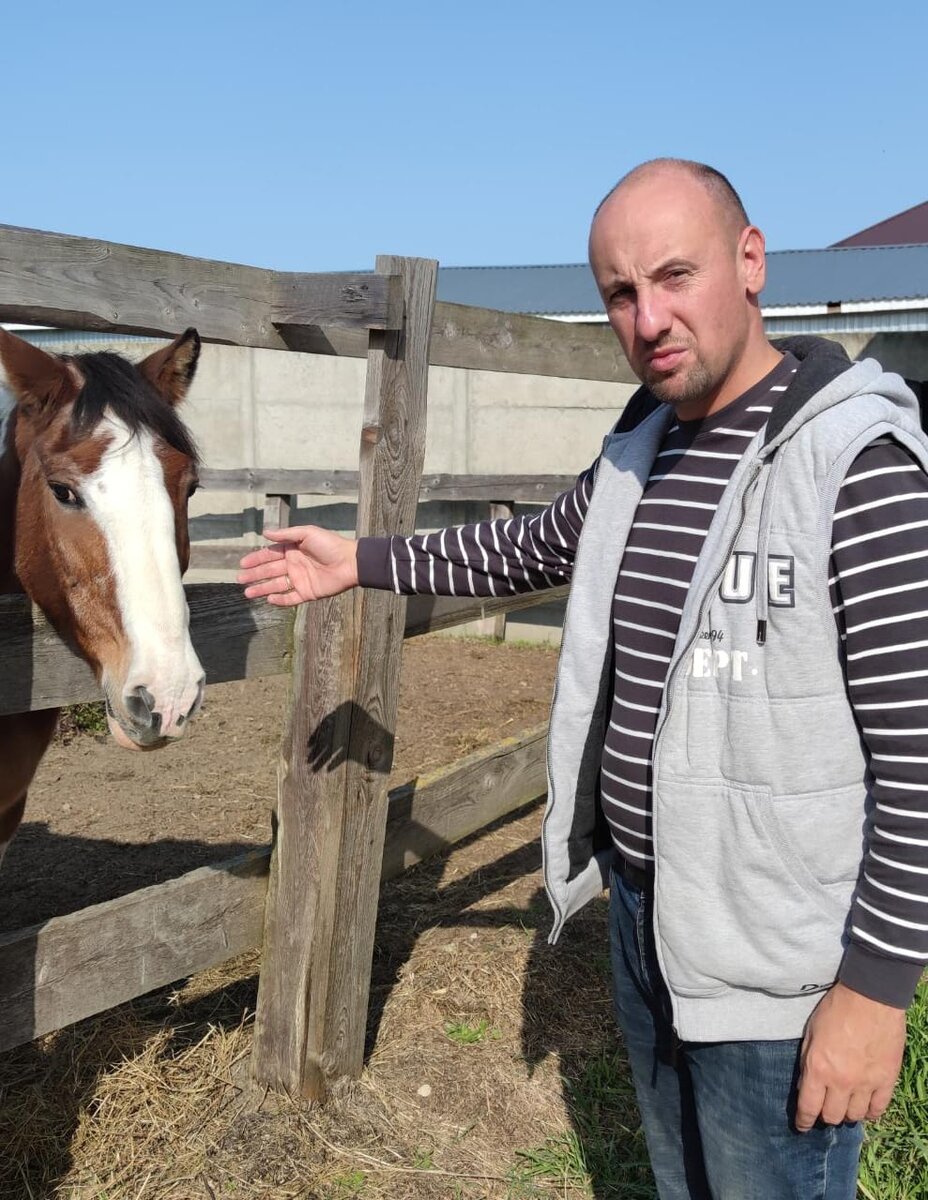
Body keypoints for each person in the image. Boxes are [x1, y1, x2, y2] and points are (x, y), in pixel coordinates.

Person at [238, 159, 928, 1199]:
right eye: (619, 291)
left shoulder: (855, 464)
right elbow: (516, 553)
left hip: (783, 972)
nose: (648, 317)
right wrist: (359, 560)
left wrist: (874, 993)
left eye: (673, 275)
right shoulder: (636, 454)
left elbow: (916, 759)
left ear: (750, 264)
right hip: (648, 923)